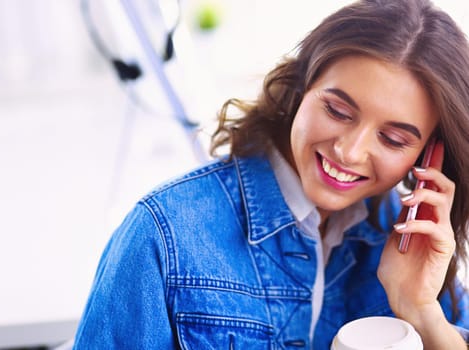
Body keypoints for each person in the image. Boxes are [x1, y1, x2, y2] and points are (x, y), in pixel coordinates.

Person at [73, 0, 469, 348]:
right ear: (300, 88)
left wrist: (421, 312)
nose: (349, 151)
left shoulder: (412, 244)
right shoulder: (165, 234)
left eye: (394, 138)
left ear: (428, 155)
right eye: (337, 111)